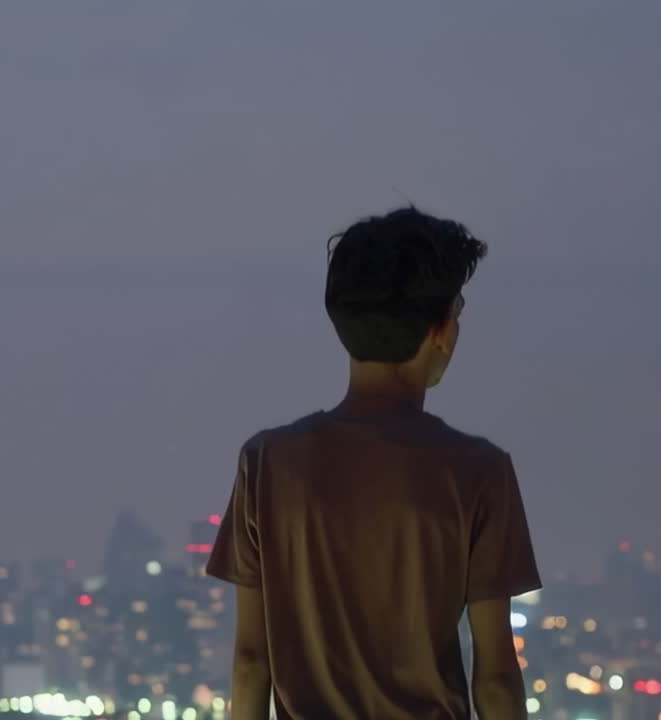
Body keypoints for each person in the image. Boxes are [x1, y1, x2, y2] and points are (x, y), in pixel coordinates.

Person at [206, 207, 542, 719]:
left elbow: (252, 662)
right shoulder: (478, 471)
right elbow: (494, 679)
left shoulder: (267, 464)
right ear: (442, 330)